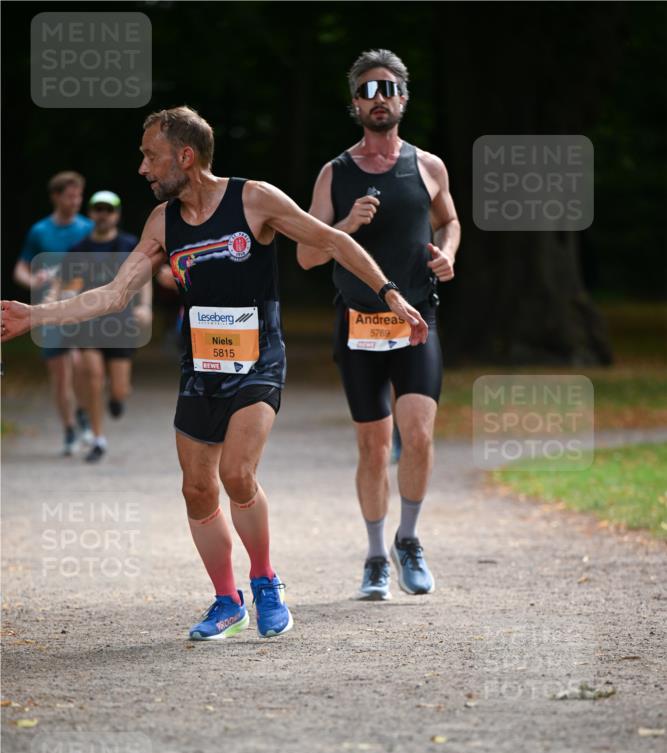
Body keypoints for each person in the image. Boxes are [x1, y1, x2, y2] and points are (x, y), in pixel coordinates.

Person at [2, 106, 427, 640]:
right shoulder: (163, 222)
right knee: (197, 489)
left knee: (237, 474)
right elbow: (113, 293)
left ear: (185, 156)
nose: (142, 168)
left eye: (151, 156)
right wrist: (35, 315)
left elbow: (333, 241)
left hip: (259, 361)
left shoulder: (254, 199)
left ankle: (266, 581)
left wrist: (390, 294)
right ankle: (228, 602)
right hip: (201, 368)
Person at [297, 49, 461, 601]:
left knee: (418, 435)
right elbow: (306, 256)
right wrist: (345, 225)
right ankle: (374, 557)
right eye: (367, 90)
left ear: (403, 98)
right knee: (373, 447)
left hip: (417, 320)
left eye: (388, 88)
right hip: (359, 324)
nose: (379, 98)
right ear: (355, 104)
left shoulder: (428, 166)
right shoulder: (335, 173)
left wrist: (448, 252)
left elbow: (449, 220)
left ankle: (407, 540)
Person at [62, 190, 152, 462]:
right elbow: (70, 284)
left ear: (117, 214)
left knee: (119, 389)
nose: (103, 214)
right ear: (91, 213)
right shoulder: (79, 249)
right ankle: (98, 439)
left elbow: (144, 277)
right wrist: (67, 298)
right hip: (89, 323)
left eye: (108, 209)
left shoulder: (129, 245)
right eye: (98, 209)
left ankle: (116, 397)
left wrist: (144, 306)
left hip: (120, 324)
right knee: (93, 375)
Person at [13, 171, 94, 455]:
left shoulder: (88, 228)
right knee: (60, 375)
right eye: (70, 196)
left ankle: (84, 414)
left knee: (82, 366)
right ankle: (70, 430)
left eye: (79, 196)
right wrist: (32, 281)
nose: (76, 201)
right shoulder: (40, 231)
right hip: (48, 310)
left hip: (79, 310)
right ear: (56, 197)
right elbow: (20, 269)